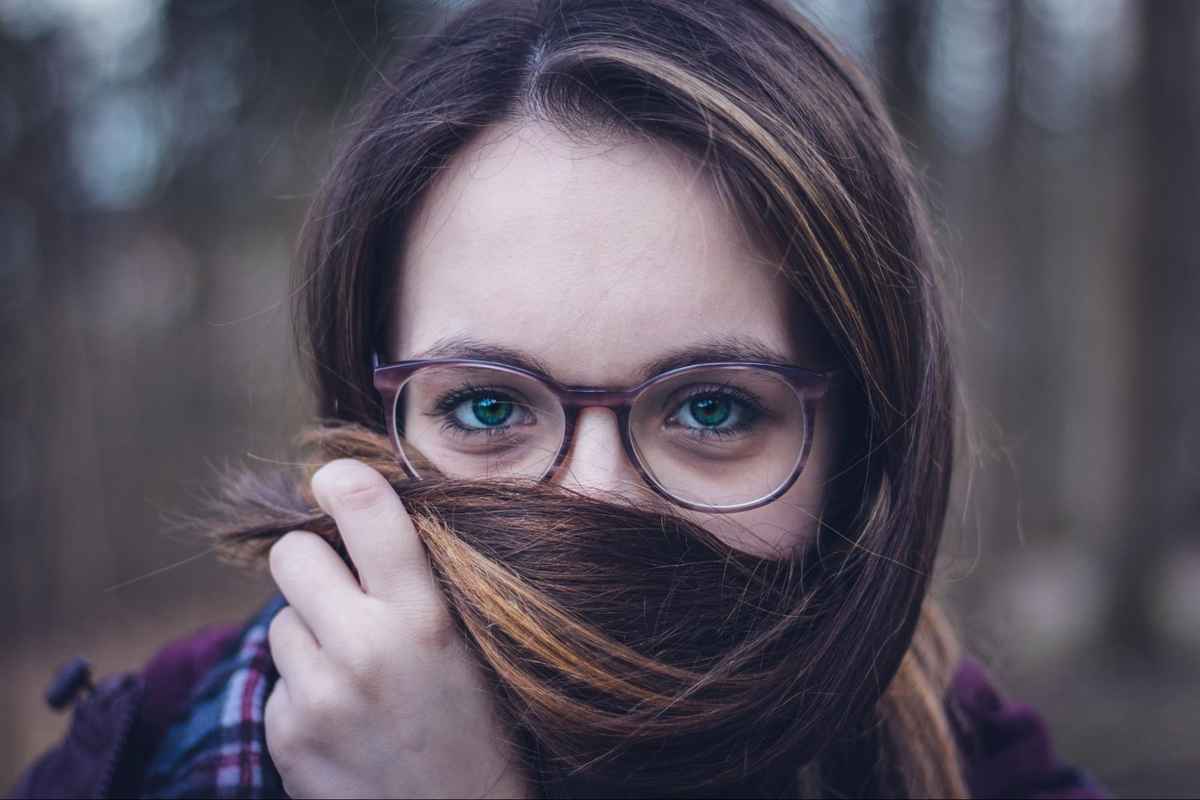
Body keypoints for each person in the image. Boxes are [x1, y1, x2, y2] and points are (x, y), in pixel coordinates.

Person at [11, 1, 1108, 797]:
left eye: (713, 409)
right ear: (369, 416)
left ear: (854, 448)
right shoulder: (156, 761)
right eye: (487, 409)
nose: (595, 495)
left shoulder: (971, 765)